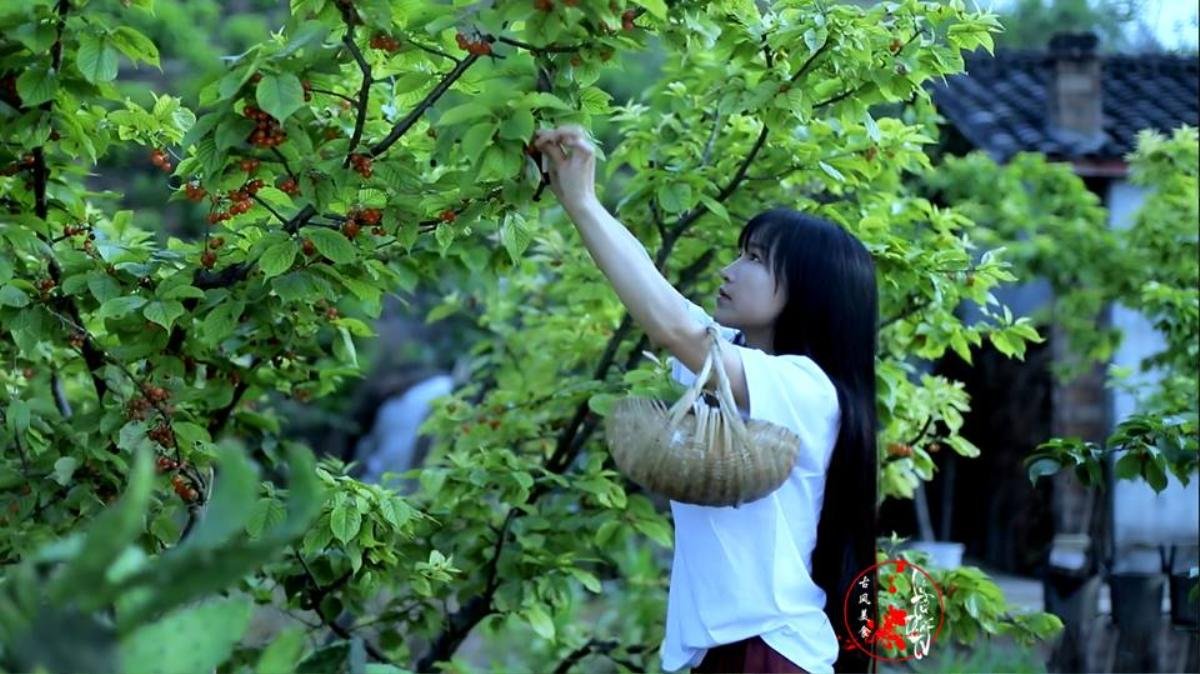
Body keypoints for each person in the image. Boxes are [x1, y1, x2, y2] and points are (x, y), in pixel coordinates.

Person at [532, 125, 880, 674]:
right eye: (739, 253)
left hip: (767, 651)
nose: (729, 270)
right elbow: (651, 291)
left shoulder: (806, 389)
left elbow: (673, 328)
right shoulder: (730, 362)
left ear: (811, 292)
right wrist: (578, 198)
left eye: (756, 260)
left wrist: (581, 200)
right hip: (732, 651)